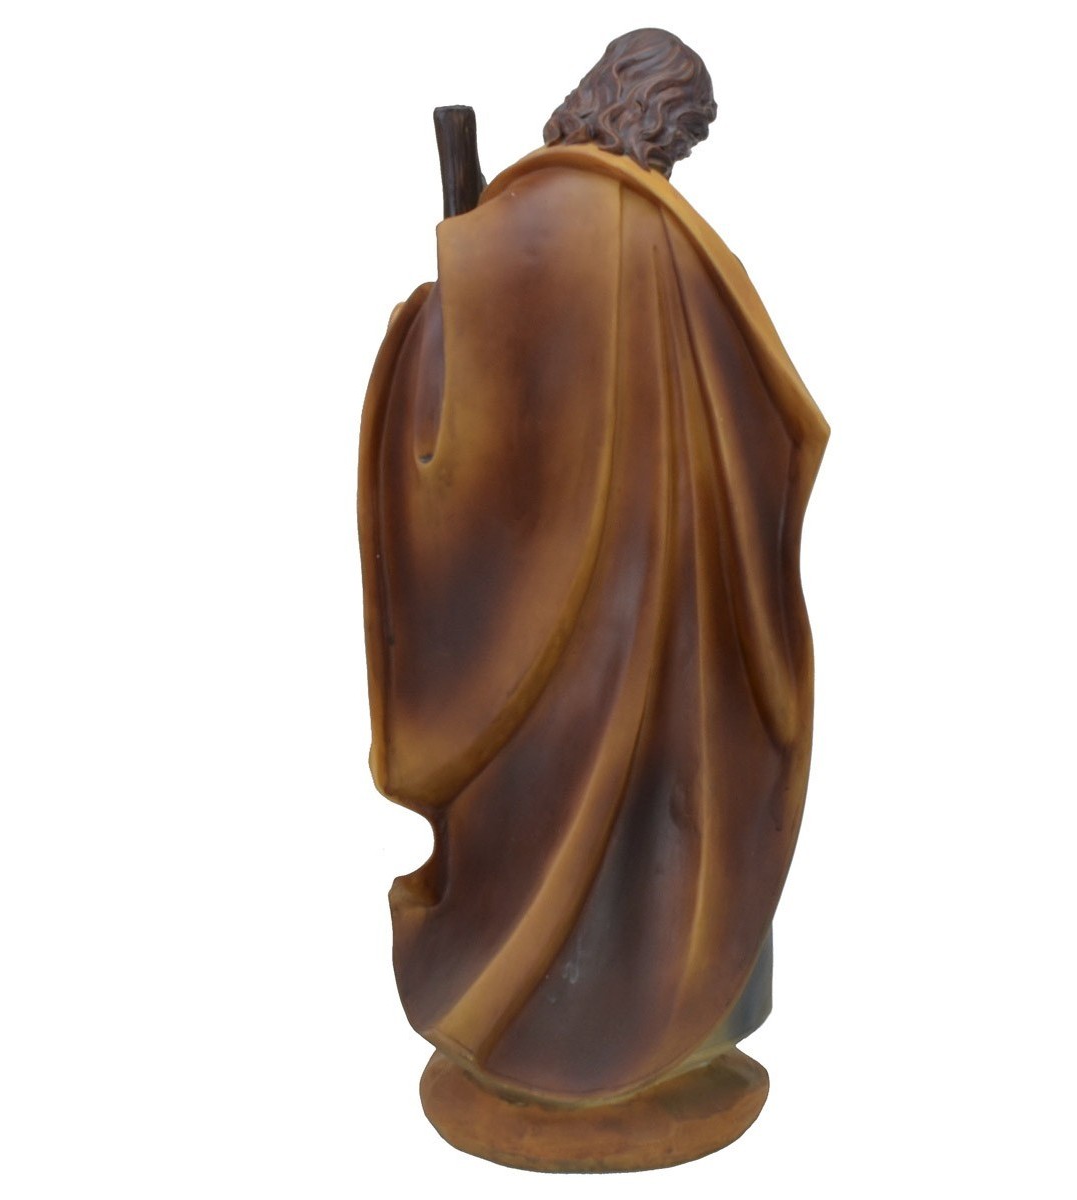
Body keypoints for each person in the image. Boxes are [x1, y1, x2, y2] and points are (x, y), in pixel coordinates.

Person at [358, 26, 829, 1134]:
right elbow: (766, 423)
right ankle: (663, 1027)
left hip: (552, 634)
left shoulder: (519, 224)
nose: (680, 151)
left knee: (546, 827)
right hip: (675, 623)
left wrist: (442, 311)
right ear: (644, 110)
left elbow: (446, 433)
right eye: (684, 129)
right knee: (673, 827)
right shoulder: (675, 246)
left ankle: (542, 1029)